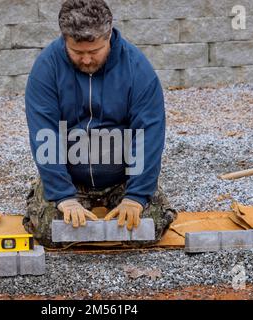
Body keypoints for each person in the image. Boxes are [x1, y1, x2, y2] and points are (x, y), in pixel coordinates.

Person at [23, 0, 177, 248]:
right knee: (50, 232)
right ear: (65, 39)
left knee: (147, 228)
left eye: (94, 51)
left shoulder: (137, 67)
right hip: (72, 178)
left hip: (122, 177)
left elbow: (148, 134)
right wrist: (64, 197)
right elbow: (44, 133)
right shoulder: (46, 67)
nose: (86, 60)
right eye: (77, 52)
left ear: (109, 35)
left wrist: (136, 197)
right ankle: (54, 194)